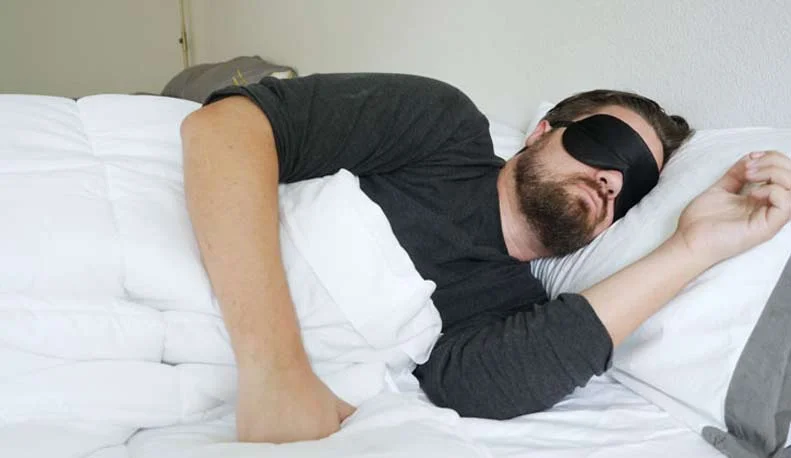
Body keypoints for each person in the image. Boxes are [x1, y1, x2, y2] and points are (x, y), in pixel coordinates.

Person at [179, 73, 791, 444]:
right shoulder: (440, 127)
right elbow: (226, 128)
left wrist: (693, 246)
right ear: (541, 131)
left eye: (629, 188)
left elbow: (479, 392)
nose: (609, 178)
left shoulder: (512, 313)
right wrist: (276, 371)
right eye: (606, 146)